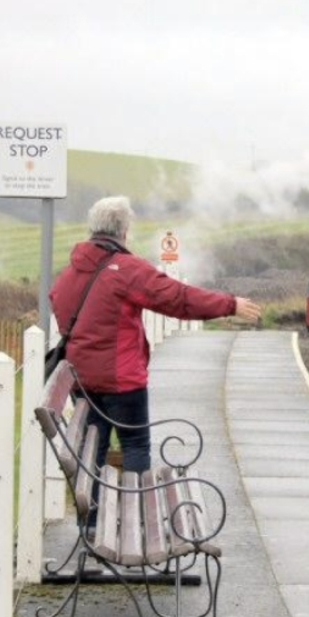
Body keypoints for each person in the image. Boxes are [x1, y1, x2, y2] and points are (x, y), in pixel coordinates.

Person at [50, 196, 261, 481]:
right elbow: (178, 299)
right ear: (124, 231)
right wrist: (229, 304)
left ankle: (89, 522)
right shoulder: (128, 270)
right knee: (135, 444)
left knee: (93, 450)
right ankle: (136, 513)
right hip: (122, 382)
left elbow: (59, 305)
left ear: (92, 229)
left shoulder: (71, 271)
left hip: (82, 381)